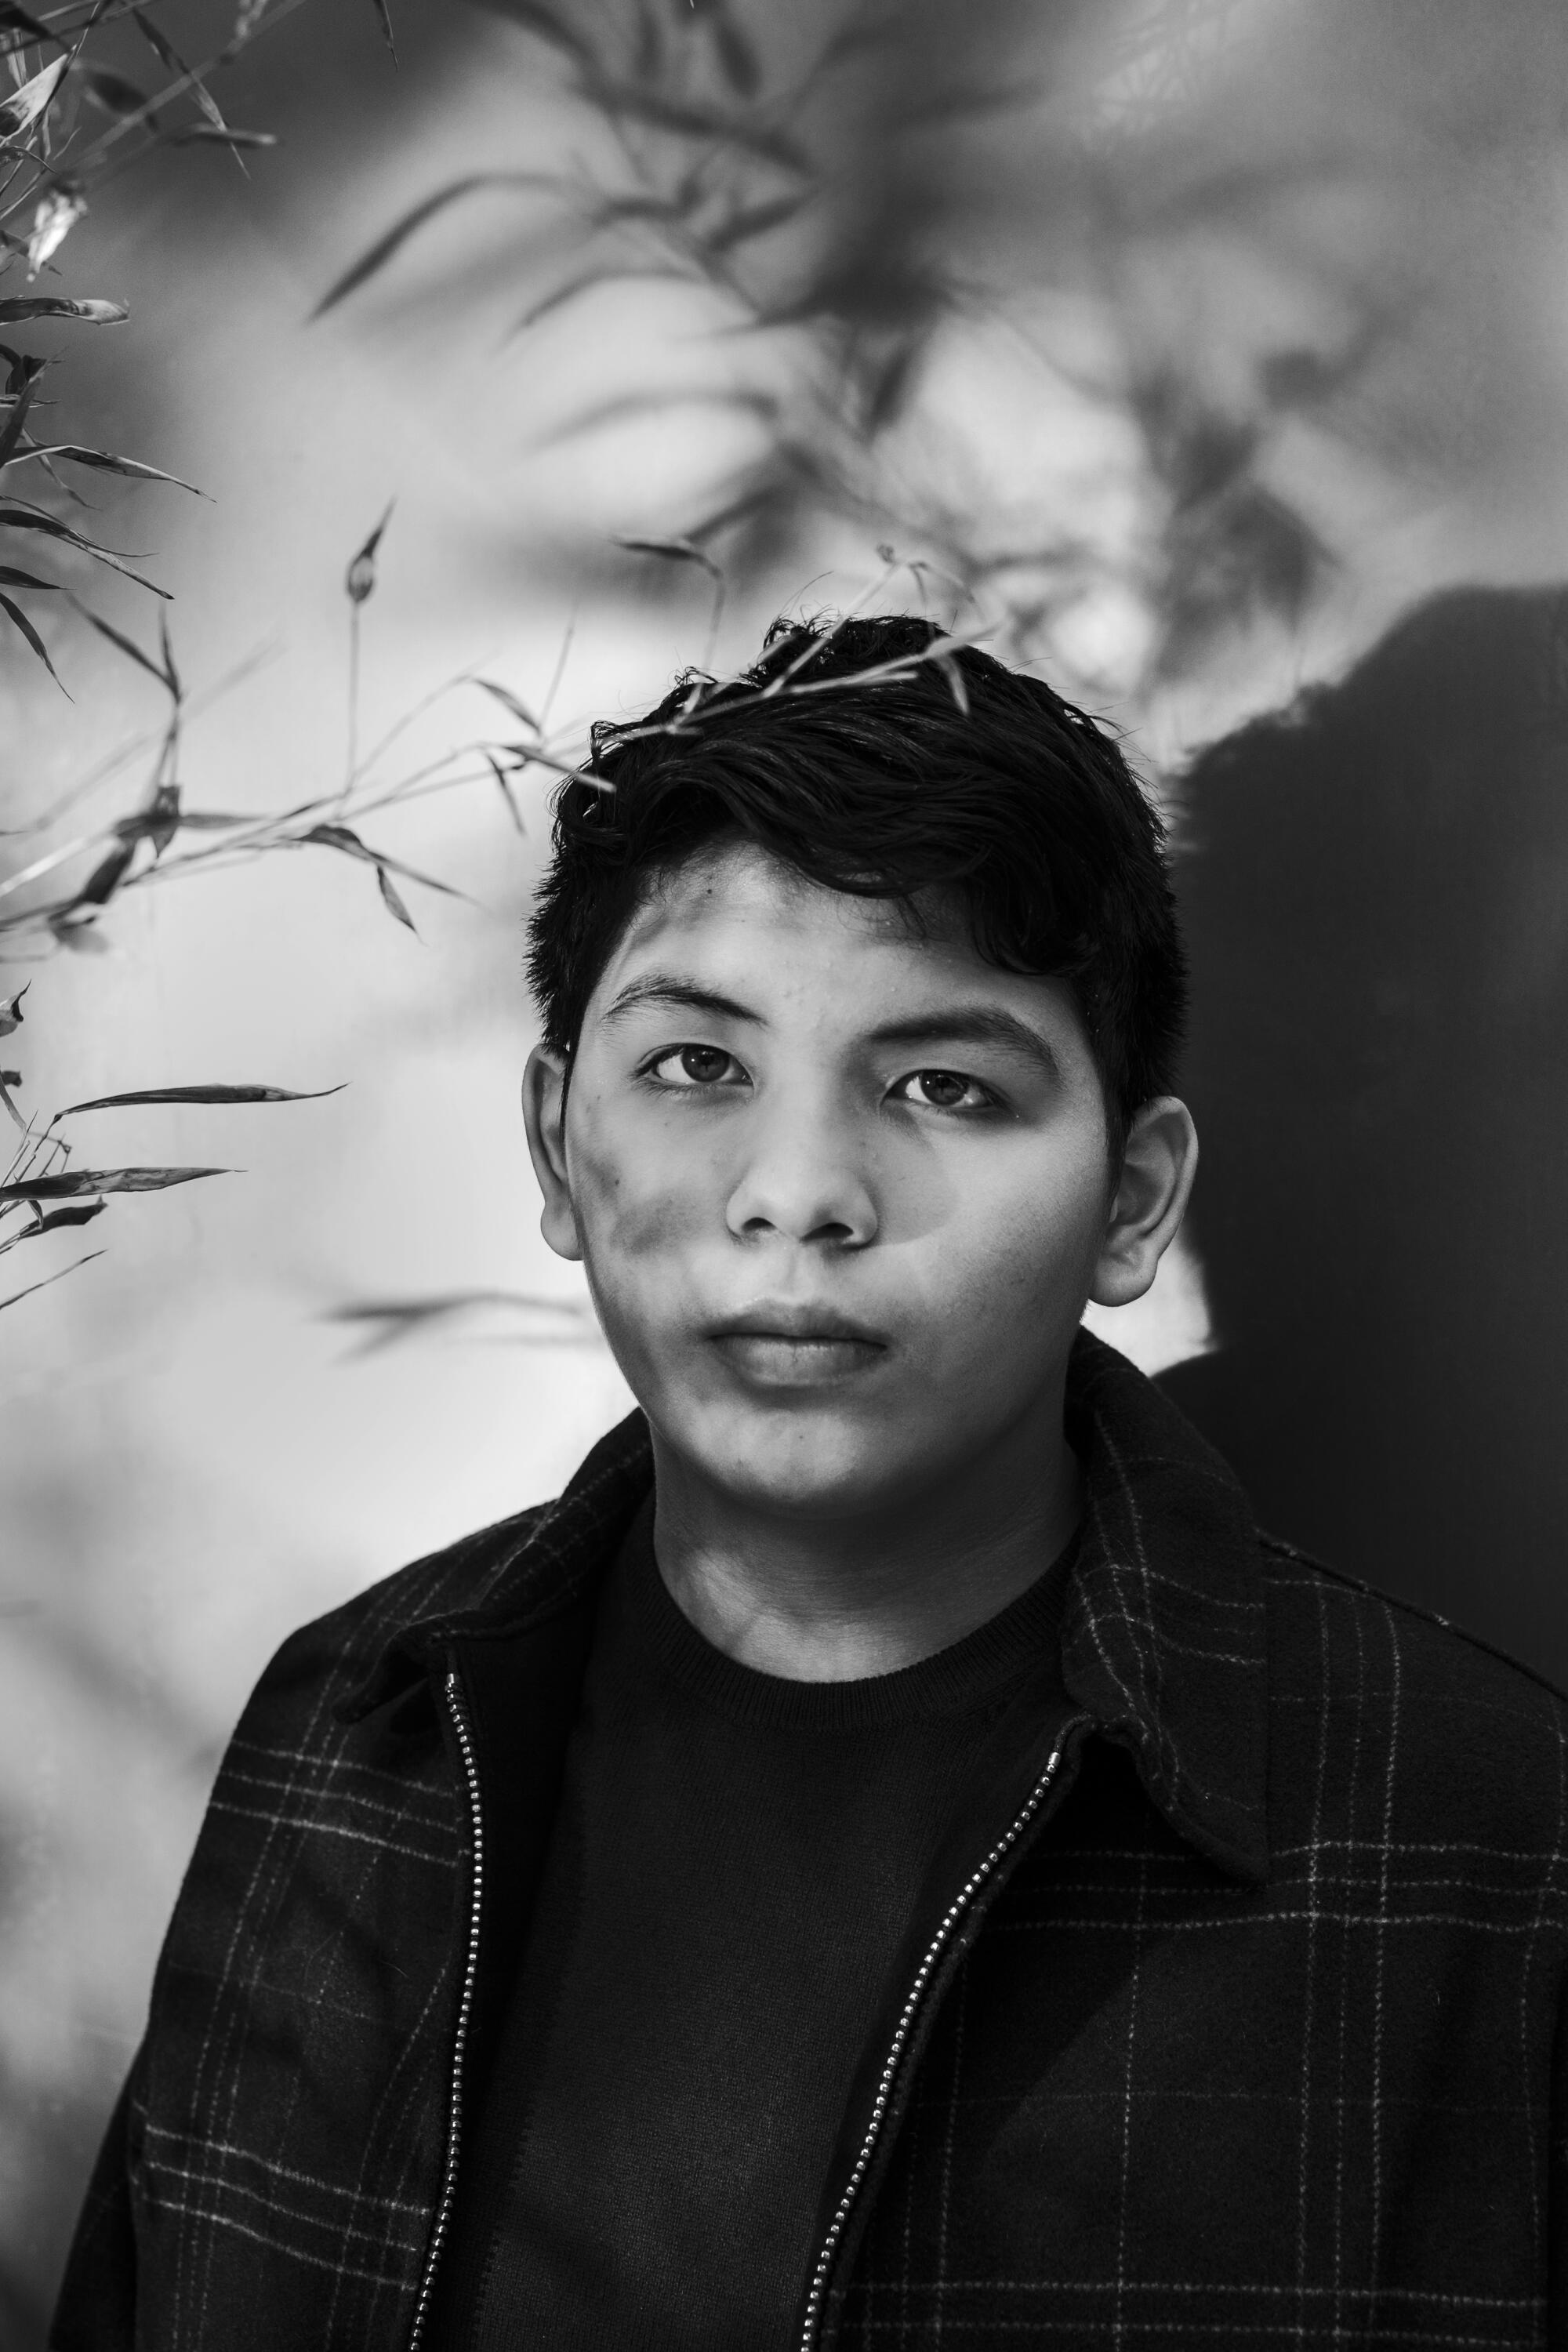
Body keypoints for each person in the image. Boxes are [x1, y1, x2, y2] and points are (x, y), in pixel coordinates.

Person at [52, 615, 1568, 2352]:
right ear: (557, 1143)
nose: (797, 1192)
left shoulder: (1479, 1846)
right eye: (697, 1064)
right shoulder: (354, 1726)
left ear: (1132, 1203)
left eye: (942, 1083)